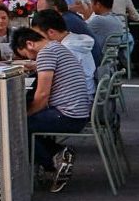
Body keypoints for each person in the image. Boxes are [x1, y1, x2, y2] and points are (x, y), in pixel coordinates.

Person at [27, 10, 93, 190]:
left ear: (49, 33)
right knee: (28, 123)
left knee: (18, 125)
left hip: (67, 115)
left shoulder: (48, 51)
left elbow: (42, 97)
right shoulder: (62, 47)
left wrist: (26, 113)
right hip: (80, 111)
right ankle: (56, 156)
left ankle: (53, 161)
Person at [82, 0, 126, 65]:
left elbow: (82, 34)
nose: (91, 5)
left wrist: (86, 14)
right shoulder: (117, 19)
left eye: (91, 2)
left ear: (98, 4)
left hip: (97, 59)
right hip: (109, 59)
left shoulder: (99, 20)